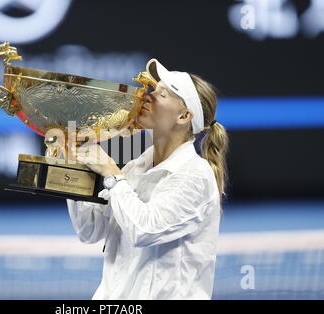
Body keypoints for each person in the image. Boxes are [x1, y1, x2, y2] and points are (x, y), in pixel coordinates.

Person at [66, 58, 229, 299]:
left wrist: (111, 173)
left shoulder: (195, 175)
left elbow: (145, 230)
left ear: (184, 116)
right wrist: (76, 165)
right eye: (154, 89)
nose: (148, 96)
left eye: (162, 94)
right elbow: (90, 230)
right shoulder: (135, 168)